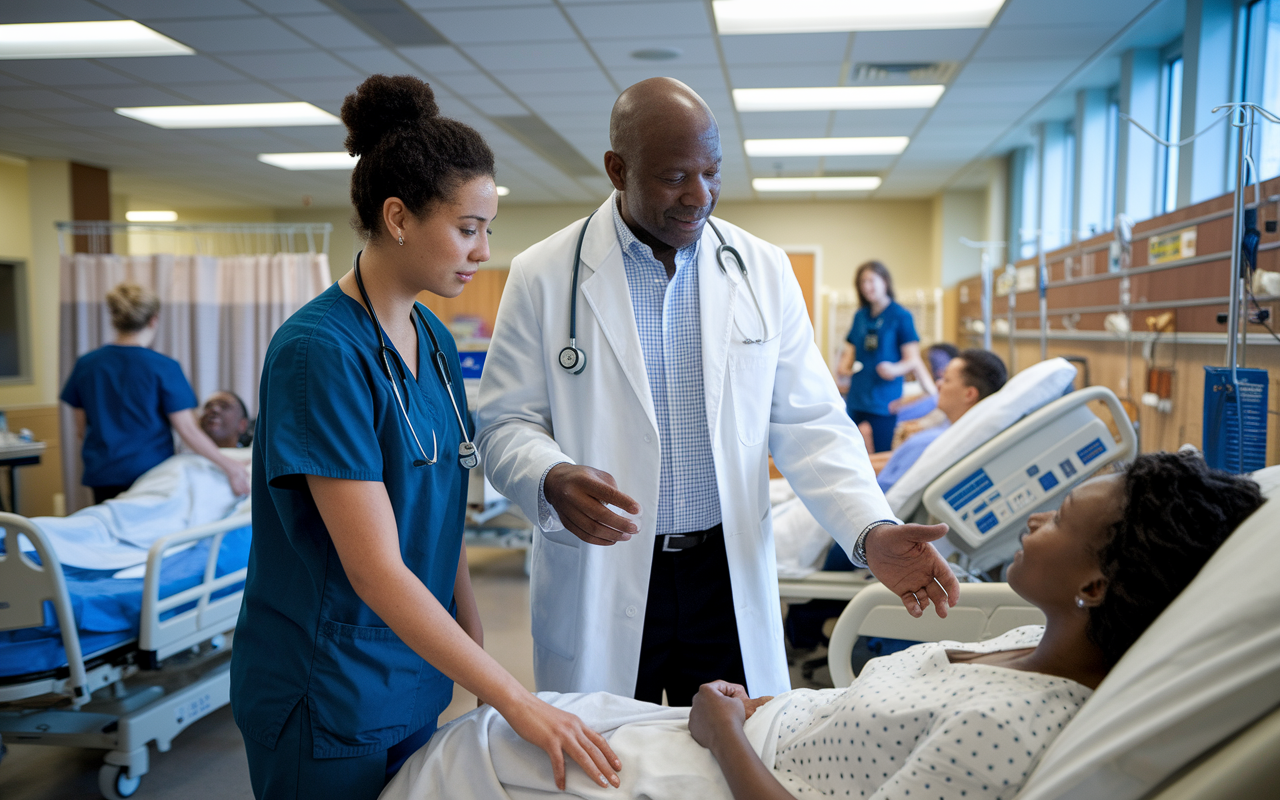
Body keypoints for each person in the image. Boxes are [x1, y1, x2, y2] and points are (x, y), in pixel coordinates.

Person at [379, 451, 1265, 800]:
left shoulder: (1006, 726)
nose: (1034, 523)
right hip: (741, 729)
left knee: (470, 756)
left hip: (723, 769)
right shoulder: (1016, 651)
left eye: (1059, 517)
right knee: (503, 726)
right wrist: (749, 708)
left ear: (1100, 583)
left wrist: (726, 730)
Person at [475, 77, 958, 708]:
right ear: (618, 170)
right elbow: (504, 422)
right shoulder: (543, 274)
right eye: (675, 175)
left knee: (739, 754)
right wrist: (549, 476)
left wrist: (869, 529)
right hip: (606, 569)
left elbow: (810, 421)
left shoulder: (762, 268)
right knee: (611, 761)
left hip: (724, 573)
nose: (699, 195)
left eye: (712, 171)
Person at [230, 75, 620, 800]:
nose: (482, 250)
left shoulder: (434, 339)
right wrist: (515, 697)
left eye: (488, 230)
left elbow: (437, 529)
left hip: (412, 674)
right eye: (468, 228)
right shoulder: (319, 353)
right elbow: (377, 569)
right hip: (328, 690)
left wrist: (475, 663)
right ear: (399, 217)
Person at [60, 283, 249, 503]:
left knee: (110, 532)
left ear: (115, 319)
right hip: (151, 476)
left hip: (104, 474)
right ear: (153, 319)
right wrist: (230, 466)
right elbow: (189, 430)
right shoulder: (163, 367)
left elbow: (82, 430)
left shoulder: (87, 365)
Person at [870, 348, 1007, 491]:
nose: (938, 384)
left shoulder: (932, 443)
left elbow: (885, 490)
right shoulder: (947, 434)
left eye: (947, 380)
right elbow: (896, 460)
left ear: (969, 394)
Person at [836, 261, 937, 453]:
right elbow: (850, 347)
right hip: (858, 394)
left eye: (871, 280)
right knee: (848, 447)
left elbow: (912, 360)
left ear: (885, 282)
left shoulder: (901, 316)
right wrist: (842, 367)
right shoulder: (860, 316)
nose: (867, 286)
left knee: (882, 450)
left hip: (884, 398)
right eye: (862, 282)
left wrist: (894, 369)